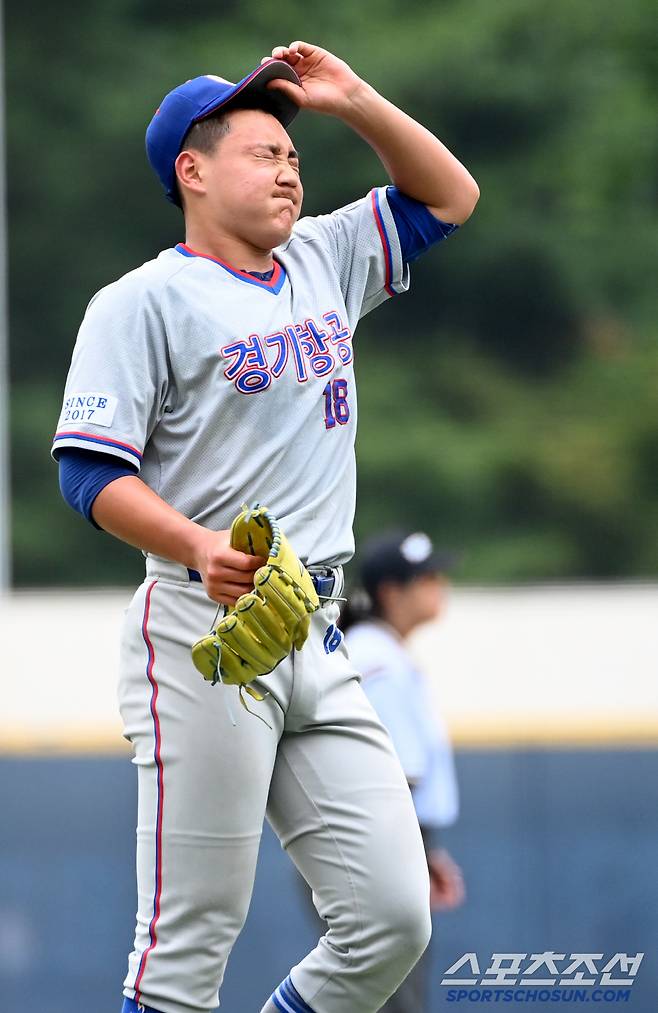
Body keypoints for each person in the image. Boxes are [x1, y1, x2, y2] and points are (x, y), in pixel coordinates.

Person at [52, 41, 478, 1013]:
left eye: (293, 155)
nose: (288, 169)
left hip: (317, 629)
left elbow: (451, 197)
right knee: (188, 941)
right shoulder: (140, 302)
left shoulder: (326, 254)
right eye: (261, 152)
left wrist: (356, 100)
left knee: (392, 918)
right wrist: (199, 544)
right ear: (192, 172)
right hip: (203, 627)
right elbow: (88, 474)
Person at [343, 529, 466, 1013]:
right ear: (392, 592)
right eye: (426, 578)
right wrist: (418, 850)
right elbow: (394, 780)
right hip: (376, 851)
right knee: (393, 1001)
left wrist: (426, 853)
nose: (440, 586)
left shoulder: (381, 651)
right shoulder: (377, 657)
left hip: (379, 847)